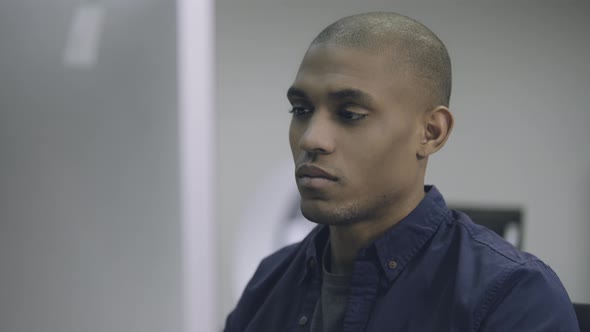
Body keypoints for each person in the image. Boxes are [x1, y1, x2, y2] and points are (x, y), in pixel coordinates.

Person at [224, 12, 579, 331]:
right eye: (300, 110)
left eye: (350, 114)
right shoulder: (270, 280)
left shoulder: (511, 296)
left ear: (431, 132)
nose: (312, 138)